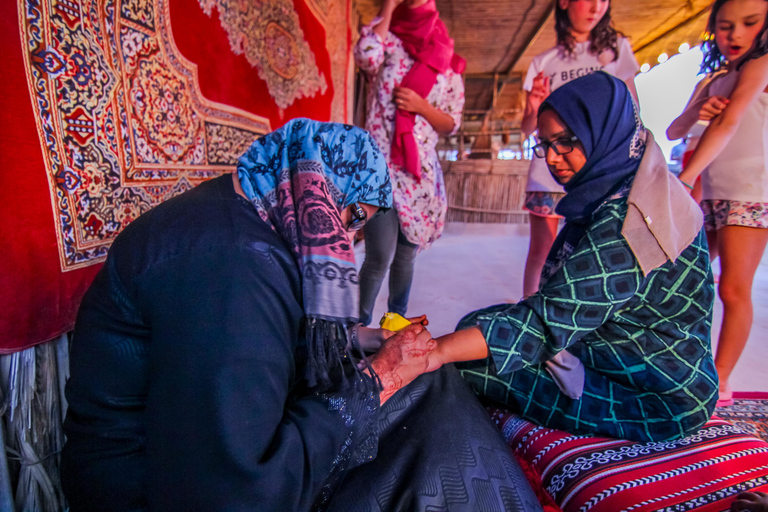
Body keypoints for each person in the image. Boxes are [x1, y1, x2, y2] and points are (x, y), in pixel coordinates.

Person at [61, 119, 541, 512]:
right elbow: (236, 491)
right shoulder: (235, 264)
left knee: (428, 384)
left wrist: (364, 342)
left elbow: (258, 349)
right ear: (321, 190)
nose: (348, 240)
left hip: (200, 455)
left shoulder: (247, 218)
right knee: (422, 416)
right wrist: (381, 378)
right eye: (353, 219)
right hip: (144, 486)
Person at [424, 73, 719, 443]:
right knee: (480, 324)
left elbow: (546, 323)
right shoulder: (630, 186)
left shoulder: (628, 223)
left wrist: (433, 354)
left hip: (656, 393)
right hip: (630, 353)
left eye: (566, 142)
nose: (552, 158)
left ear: (604, 132)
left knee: (470, 363)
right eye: (545, 144)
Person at [667, 0, 768, 407]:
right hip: (713, 195)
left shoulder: (760, 67)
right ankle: (686, 360)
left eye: (750, 24)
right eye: (726, 26)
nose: (736, 35)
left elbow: (730, 123)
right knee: (683, 279)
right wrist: (697, 107)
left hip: (751, 192)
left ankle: (721, 381)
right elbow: (676, 129)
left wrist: (685, 178)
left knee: (733, 288)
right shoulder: (715, 78)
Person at [353, 0, 465, 326]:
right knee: (379, 255)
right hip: (379, 166)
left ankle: (394, 324)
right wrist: (388, 8)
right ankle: (354, 331)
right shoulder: (389, 38)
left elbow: (451, 122)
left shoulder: (447, 60)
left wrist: (421, 106)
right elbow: (366, 56)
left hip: (418, 175)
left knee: (405, 255)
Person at [520, 0, 640, 298]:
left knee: (592, 247)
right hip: (549, 172)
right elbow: (526, 129)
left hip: (598, 174)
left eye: (604, 0)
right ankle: (528, 312)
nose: (597, 6)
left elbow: (632, 112)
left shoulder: (616, 50)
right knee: (542, 249)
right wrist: (535, 106)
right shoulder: (544, 62)